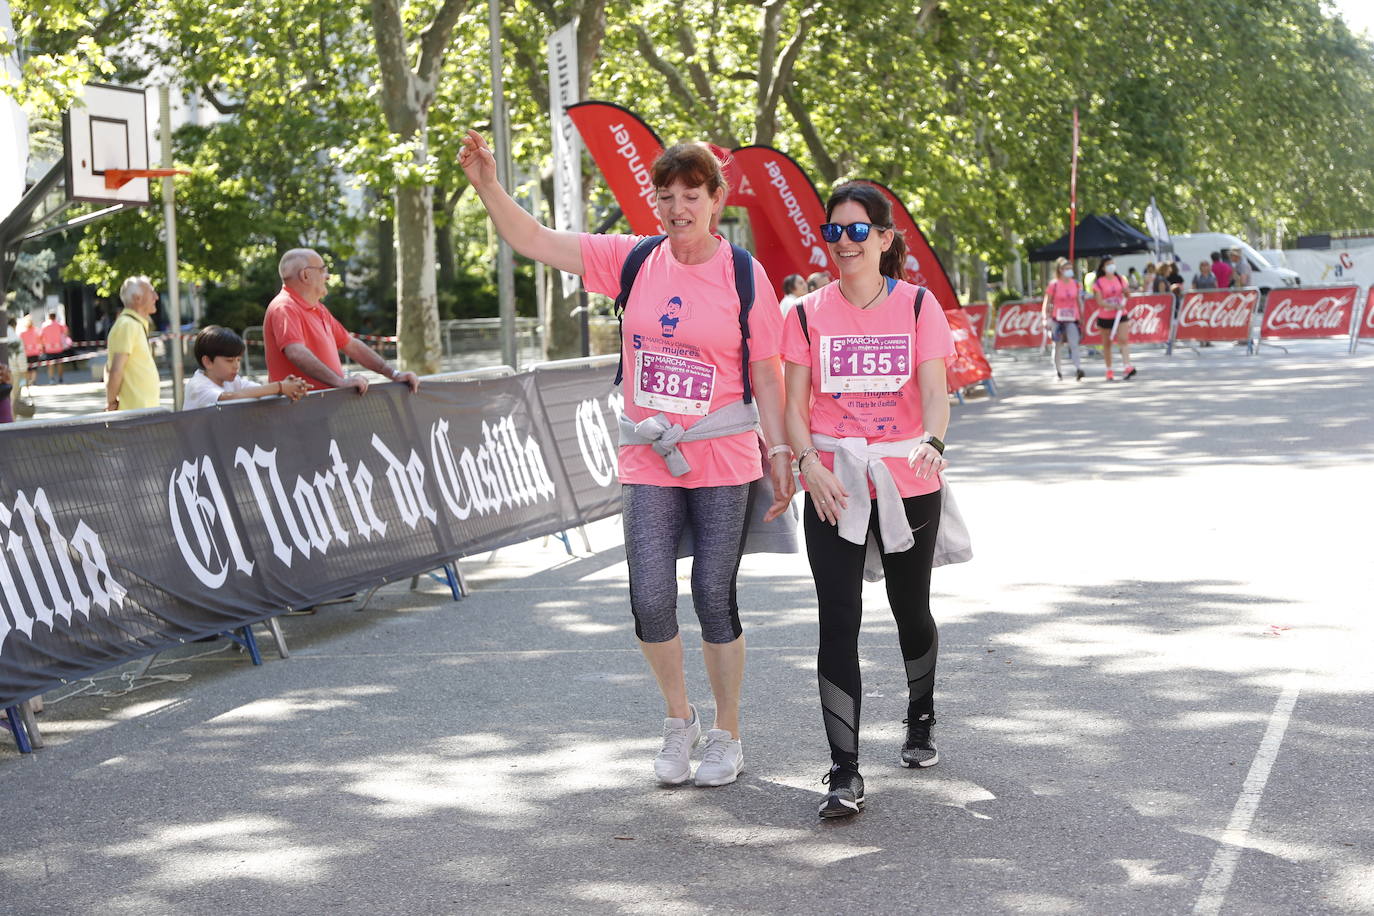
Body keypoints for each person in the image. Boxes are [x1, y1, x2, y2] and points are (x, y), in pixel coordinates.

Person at [461, 128, 793, 789]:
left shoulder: (742, 274)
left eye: (691, 196)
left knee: (713, 595)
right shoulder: (634, 259)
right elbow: (536, 241)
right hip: (648, 454)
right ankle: (680, 720)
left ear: (716, 200)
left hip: (723, 453)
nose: (678, 209)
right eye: (665, 196)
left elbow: (768, 372)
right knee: (648, 597)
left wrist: (782, 451)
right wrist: (488, 186)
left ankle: (728, 732)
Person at [781, 182, 955, 818]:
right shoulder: (804, 312)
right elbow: (794, 407)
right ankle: (844, 769)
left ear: (884, 239)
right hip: (833, 481)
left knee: (910, 609)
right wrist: (807, 466)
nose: (845, 243)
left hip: (907, 476)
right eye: (835, 231)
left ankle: (921, 715)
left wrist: (933, 441)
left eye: (859, 231)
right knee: (838, 619)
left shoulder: (917, 307)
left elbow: (936, 393)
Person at [263, 248, 420, 395]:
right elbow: (296, 352)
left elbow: (351, 345)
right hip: (298, 413)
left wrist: (393, 374)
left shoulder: (318, 309)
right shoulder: (284, 307)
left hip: (317, 410)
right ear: (305, 275)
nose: (328, 276)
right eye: (323, 269)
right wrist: (339, 382)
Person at [184, 325, 309, 410]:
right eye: (229, 360)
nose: (236, 365)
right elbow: (229, 397)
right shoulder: (198, 386)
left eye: (238, 359)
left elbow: (260, 391)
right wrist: (280, 386)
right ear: (207, 362)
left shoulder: (234, 380)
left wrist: (287, 387)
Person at [106, 277, 162, 411]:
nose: (156, 297)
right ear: (137, 298)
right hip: (135, 413)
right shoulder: (128, 325)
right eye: (151, 292)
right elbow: (115, 370)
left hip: (141, 410)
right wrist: (111, 402)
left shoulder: (132, 324)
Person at [1041, 257, 1085, 381]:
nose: (1069, 271)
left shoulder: (1075, 284)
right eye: (1066, 269)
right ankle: (1058, 371)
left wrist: (1081, 317)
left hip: (1072, 319)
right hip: (1057, 319)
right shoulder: (1054, 285)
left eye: (1070, 268)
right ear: (1060, 270)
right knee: (1057, 345)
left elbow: (1079, 301)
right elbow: (1047, 302)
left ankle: (1078, 368)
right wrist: (1045, 318)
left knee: (1074, 343)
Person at [1092, 255, 1135, 381]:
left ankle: (1127, 366)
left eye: (1112, 263)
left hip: (1120, 314)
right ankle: (1109, 369)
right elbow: (1099, 302)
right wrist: (1113, 306)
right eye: (1108, 264)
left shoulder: (1120, 279)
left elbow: (1127, 293)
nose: (1111, 266)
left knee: (1123, 339)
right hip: (1105, 316)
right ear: (1103, 267)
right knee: (1107, 344)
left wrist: (1127, 294)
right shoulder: (1099, 282)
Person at [39, 311, 71, 384]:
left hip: (49, 348)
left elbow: (40, 336)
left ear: (49, 317)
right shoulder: (59, 325)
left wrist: (42, 345)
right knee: (60, 364)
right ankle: (60, 378)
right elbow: (66, 332)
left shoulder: (44, 325)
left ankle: (51, 379)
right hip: (58, 347)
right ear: (55, 317)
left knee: (50, 364)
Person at [17, 315, 41, 387]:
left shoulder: (22, 332)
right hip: (34, 352)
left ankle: (28, 381)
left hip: (25, 353)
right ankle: (33, 381)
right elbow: (39, 340)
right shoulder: (36, 330)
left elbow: (19, 342)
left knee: (27, 368)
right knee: (34, 368)